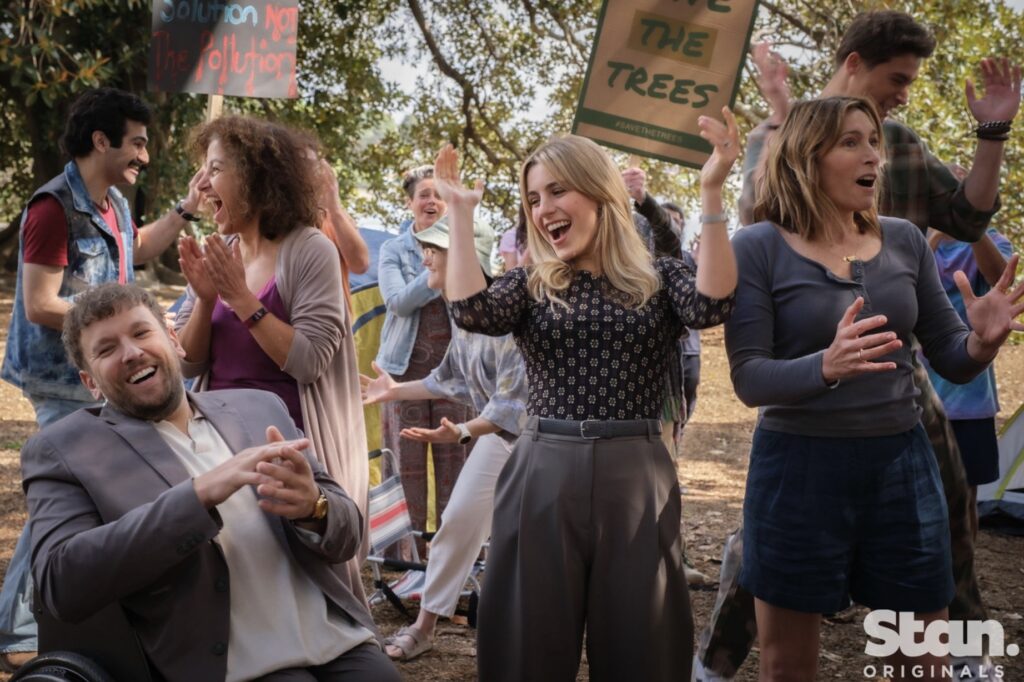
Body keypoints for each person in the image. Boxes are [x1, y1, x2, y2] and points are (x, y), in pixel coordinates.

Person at [699, 12, 1021, 677]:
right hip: (799, 462)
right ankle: (716, 661)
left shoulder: (902, 236)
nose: (876, 153)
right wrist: (826, 365)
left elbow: (952, 344)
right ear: (810, 156)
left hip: (900, 450)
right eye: (854, 142)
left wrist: (983, 343)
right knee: (781, 626)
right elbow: (751, 375)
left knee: (924, 627)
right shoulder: (759, 237)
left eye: (874, 141)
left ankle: (968, 654)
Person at [440, 103, 738, 680]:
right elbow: (471, 308)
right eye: (533, 199)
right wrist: (458, 213)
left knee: (641, 646)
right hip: (541, 469)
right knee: (527, 642)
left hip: (638, 473)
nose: (544, 209)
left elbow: (714, 303)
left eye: (557, 192)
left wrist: (713, 190)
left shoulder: (660, 275)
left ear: (599, 193)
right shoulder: (532, 283)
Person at [22, 283, 399, 681]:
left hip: (336, 638)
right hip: (228, 663)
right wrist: (198, 495)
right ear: (90, 382)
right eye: (106, 349)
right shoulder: (64, 449)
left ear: (174, 341)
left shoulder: (258, 407)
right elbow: (61, 584)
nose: (131, 353)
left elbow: (348, 535)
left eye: (141, 332)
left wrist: (314, 507)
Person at [0, 86, 204, 669]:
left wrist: (185, 210)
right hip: (61, 381)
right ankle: (17, 635)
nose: (144, 154)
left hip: (100, 373)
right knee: (67, 499)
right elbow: (40, 302)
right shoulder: (51, 207)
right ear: (101, 140)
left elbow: (132, 250)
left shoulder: (113, 201)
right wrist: (125, 319)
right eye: (137, 142)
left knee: (89, 498)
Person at [174, 115, 370, 602]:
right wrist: (203, 299)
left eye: (215, 169)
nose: (202, 184)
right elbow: (188, 365)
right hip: (215, 446)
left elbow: (309, 360)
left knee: (291, 590)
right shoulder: (225, 249)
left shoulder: (311, 250)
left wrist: (242, 299)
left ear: (255, 177)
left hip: (286, 451)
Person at [360, 219, 528, 661]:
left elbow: (515, 404)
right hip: (502, 439)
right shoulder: (464, 316)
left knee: (526, 539)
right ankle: (426, 625)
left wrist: (465, 432)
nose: (424, 256)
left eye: (435, 248)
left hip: (544, 445)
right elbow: (446, 378)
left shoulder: (506, 318)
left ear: (471, 259)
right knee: (457, 522)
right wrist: (394, 390)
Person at [374, 166, 478, 556]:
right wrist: (435, 272)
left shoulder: (463, 245)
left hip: (456, 371)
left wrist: (450, 255)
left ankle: (459, 559)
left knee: (458, 467)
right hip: (404, 373)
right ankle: (403, 562)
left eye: (438, 195)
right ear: (410, 202)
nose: (431, 201)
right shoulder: (394, 250)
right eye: (424, 195)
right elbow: (397, 301)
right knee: (405, 468)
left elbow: (476, 302)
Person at [925, 209, 1012, 539]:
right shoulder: (910, 242)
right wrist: (933, 235)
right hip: (917, 398)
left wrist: (971, 227)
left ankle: (961, 580)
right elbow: (903, 279)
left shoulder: (993, 242)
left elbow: (1000, 278)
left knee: (964, 501)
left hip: (971, 401)